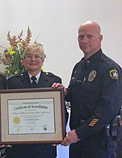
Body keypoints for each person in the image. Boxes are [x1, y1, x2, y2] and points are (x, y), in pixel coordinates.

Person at [52, 21, 122, 158]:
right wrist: (64, 92)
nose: (84, 41)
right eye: (81, 37)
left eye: (89, 36)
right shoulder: (79, 67)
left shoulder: (109, 69)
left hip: (98, 141)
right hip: (78, 140)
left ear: (100, 38)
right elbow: (76, 95)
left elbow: (108, 109)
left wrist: (80, 133)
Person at [6, 43, 67, 158]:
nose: (33, 59)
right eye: (29, 56)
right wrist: (5, 134)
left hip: (45, 145)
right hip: (19, 145)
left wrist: (60, 133)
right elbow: (6, 111)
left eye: (37, 56)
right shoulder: (13, 82)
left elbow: (62, 111)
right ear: (23, 61)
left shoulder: (53, 81)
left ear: (43, 60)